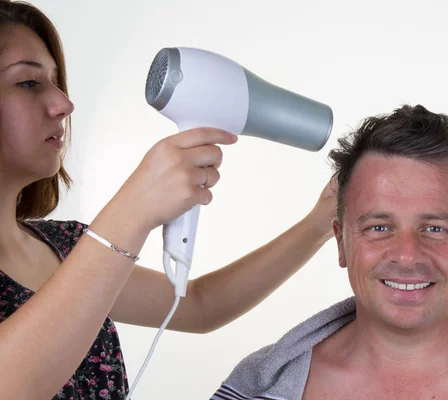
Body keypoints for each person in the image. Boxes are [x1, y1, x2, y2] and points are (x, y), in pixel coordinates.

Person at [0, 1, 337, 399]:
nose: (64, 104)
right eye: (28, 82)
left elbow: (199, 304)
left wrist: (319, 224)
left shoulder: (67, 250)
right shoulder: (95, 250)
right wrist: (133, 209)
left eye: (57, 82)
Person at [211, 105, 448, 400]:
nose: (407, 255)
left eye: (435, 228)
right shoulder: (259, 386)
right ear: (341, 241)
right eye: (379, 228)